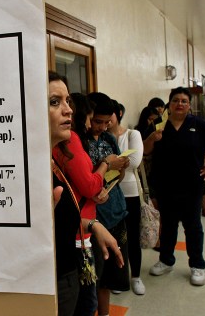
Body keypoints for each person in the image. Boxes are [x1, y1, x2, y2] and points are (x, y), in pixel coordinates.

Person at [49, 73, 123, 316]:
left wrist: (93, 225)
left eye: (68, 101)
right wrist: (105, 165)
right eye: (54, 102)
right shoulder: (39, 167)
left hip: (67, 265)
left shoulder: (54, 160)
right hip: (55, 274)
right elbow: (90, 187)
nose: (68, 110)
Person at [144, 87, 205, 287]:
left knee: (193, 227)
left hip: (191, 186)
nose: (180, 104)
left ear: (189, 105)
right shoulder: (158, 124)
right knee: (168, 226)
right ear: (169, 105)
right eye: (175, 101)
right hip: (165, 185)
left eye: (184, 101)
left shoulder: (198, 125)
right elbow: (144, 151)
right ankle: (166, 261)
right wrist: (152, 138)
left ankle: (197, 265)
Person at [86, 94, 129, 316]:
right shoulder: (79, 141)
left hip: (114, 210)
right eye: (97, 121)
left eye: (107, 122)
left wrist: (121, 167)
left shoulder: (109, 139)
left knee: (110, 276)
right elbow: (83, 184)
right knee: (94, 275)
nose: (102, 127)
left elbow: (118, 177)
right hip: (93, 219)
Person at [109, 103, 146, 295]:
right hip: (108, 193)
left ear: (119, 114)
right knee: (115, 237)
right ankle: (119, 277)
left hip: (129, 192)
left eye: (110, 115)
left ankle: (136, 277)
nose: (107, 120)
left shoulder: (132, 135)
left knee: (132, 236)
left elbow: (133, 162)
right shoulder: (102, 137)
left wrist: (107, 164)